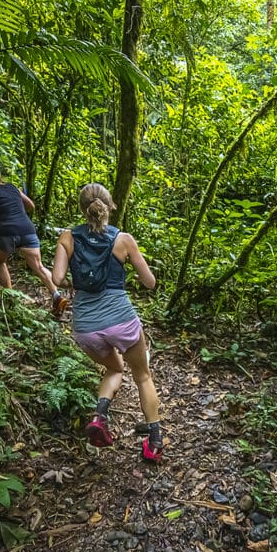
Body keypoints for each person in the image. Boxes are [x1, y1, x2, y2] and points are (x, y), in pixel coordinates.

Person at [52, 182, 163, 462]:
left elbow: (56, 279)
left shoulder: (68, 237)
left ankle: (100, 417)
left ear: (82, 208)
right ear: (109, 206)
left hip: (86, 327)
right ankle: (155, 443)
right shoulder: (123, 239)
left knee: (114, 369)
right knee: (143, 376)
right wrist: (134, 275)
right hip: (121, 321)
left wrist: (76, 279)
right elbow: (150, 283)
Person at [0, 160, 61, 309]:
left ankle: (11, 300)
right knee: (39, 266)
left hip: (6, 232)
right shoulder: (12, 187)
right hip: (27, 229)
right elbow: (30, 205)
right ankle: (56, 295)